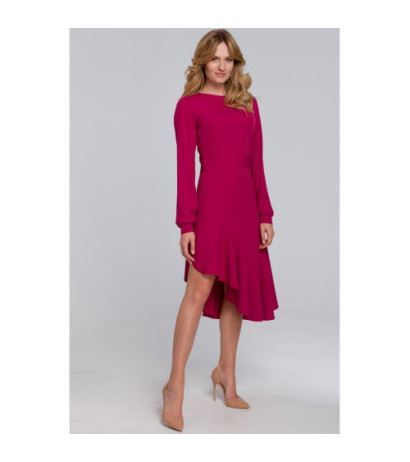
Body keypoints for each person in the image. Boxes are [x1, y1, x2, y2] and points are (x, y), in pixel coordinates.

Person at [161, 29, 279, 432]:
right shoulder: (188, 106)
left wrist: (265, 214)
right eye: (215, 58)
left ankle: (226, 373)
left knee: (235, 292)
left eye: (229, 59)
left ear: (236, 63)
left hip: (245, 206)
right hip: (211, 205)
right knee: (197, 292)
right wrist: (187, 223)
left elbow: (257, 163)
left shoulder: (249, 104)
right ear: (203, 61)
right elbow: (184, 168)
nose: (222, 66)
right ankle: (174, 386)